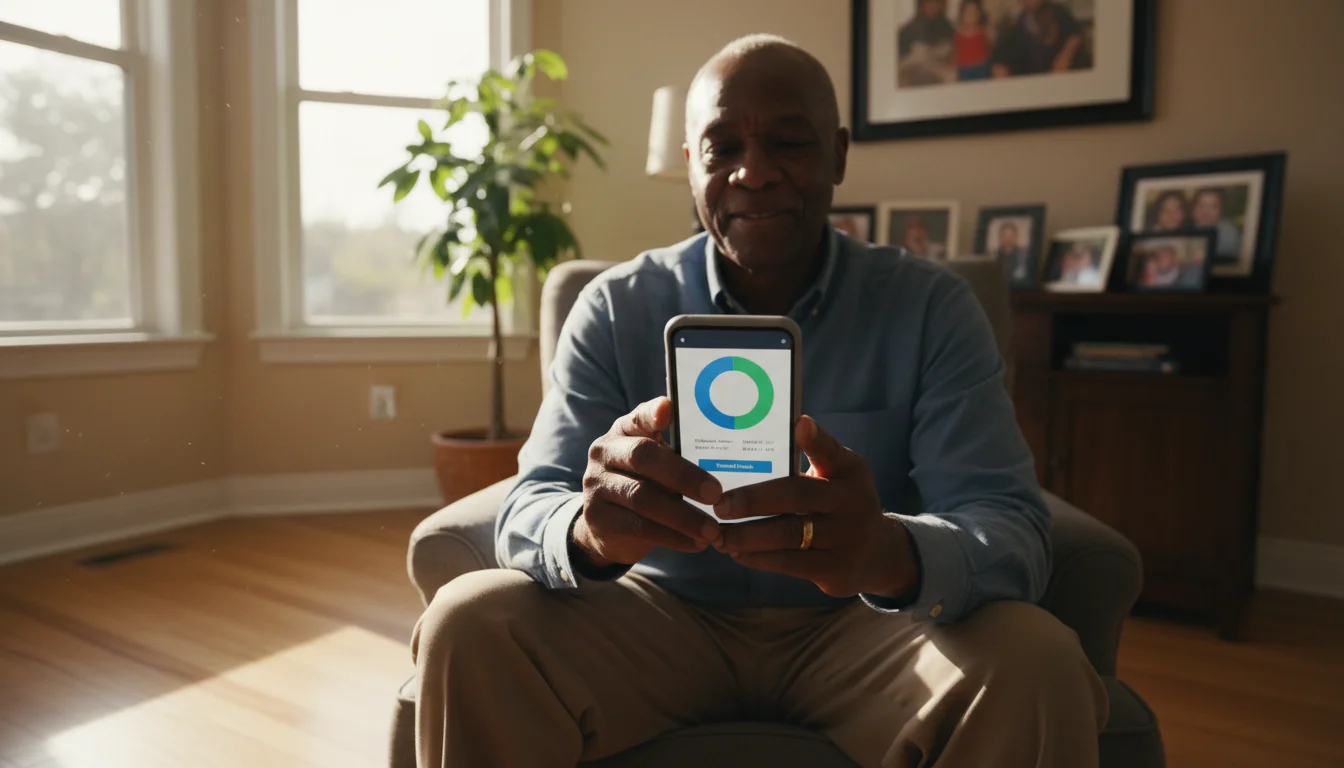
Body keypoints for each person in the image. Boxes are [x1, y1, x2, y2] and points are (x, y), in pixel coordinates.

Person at [411, 34, 1107, 768]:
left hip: (865, 628)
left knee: (1037, 658)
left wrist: (888, 553)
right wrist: (590, 533)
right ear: (691, 165)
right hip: (651, 621)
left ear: (838, 155)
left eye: (790, 143)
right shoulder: (614, 308)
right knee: (468, 621)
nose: (754, 173)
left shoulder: (932, 308)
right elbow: (529, 504)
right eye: (721, 149)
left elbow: (1007, 523)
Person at [990, 0, 1086, 78]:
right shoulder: (1017, 25)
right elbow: (1003, 56)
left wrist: (1065, 56)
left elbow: (1076, 34)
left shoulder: (1058, 11)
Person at [897, 0, 957, 86]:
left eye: (936, 2)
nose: (933, 6)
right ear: (921, 4)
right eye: (929, 2)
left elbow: (955, 54)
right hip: (916, 79)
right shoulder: (907, 32)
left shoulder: (949, 28)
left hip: (942, 79)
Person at [1191, 187, 1243, 264]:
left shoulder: (1229, 233)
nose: (1205, 211)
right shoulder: (1186, 228)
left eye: (1213, 206)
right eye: (1201, 205)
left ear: (1221, 211)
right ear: (1193, 209)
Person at [955, 0, 992, 81]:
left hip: (981, 67)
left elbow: (989, 48)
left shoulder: (983, 32)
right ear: (962, 14)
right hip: (965, 68)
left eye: (974, 12)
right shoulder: (958, 33)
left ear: (979, 14)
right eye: (967, 12)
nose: (971, 15)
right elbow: (956, 52)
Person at [993, 220, 1034, 287]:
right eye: (1004, 235)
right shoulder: (992, 258)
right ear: (1000, 237)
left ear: (1016, 237)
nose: (1008, 239)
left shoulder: (1024, 257)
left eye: (1011, 235)